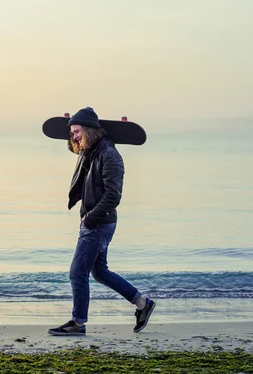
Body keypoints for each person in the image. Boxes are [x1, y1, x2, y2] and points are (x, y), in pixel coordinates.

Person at [48, 107, 155, 336]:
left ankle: (77, 323)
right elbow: (76, 148)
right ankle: (142, 303)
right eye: (72, 133)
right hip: (97, 222)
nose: (74, 137)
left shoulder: (109, 155)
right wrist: (67, 126)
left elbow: (113, 195)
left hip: (98, 223)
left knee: (77, 273)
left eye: (77, 132)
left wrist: (90, 219)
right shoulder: (92, 149)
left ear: (89, 130)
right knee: (99, 272)